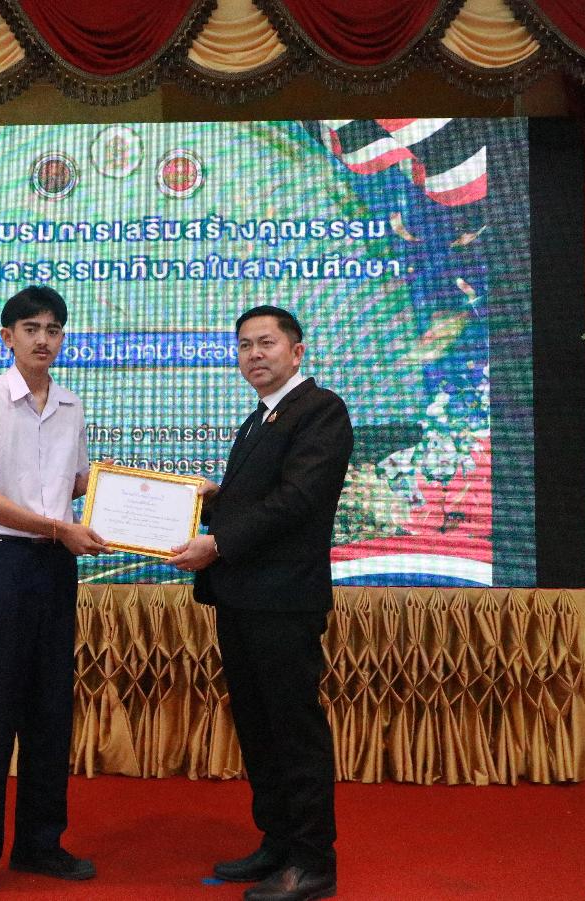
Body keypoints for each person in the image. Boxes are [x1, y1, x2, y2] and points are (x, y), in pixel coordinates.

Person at [168, 305, 352, 901]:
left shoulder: (321, 410)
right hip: (243, 597)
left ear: (296, 352)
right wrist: (213, 498)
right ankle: (277, 842)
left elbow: (297, 501)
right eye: (245, 345)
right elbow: (259, 500)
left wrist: (218, 541)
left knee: (293, 729)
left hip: (283, 601)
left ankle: (312, 862)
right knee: (258, 725)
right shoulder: (260, 417)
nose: (254, 354)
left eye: (266, 343)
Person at [0, 285, 108, 901]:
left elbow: (79, 482)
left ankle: (40, 843)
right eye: (31, 328)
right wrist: (56, 528)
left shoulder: (71, 404)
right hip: (6, 566)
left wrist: (159, 496)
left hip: (57, 570)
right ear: (7, 337)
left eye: (54, 329)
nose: (44, 339)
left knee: (50, 709)